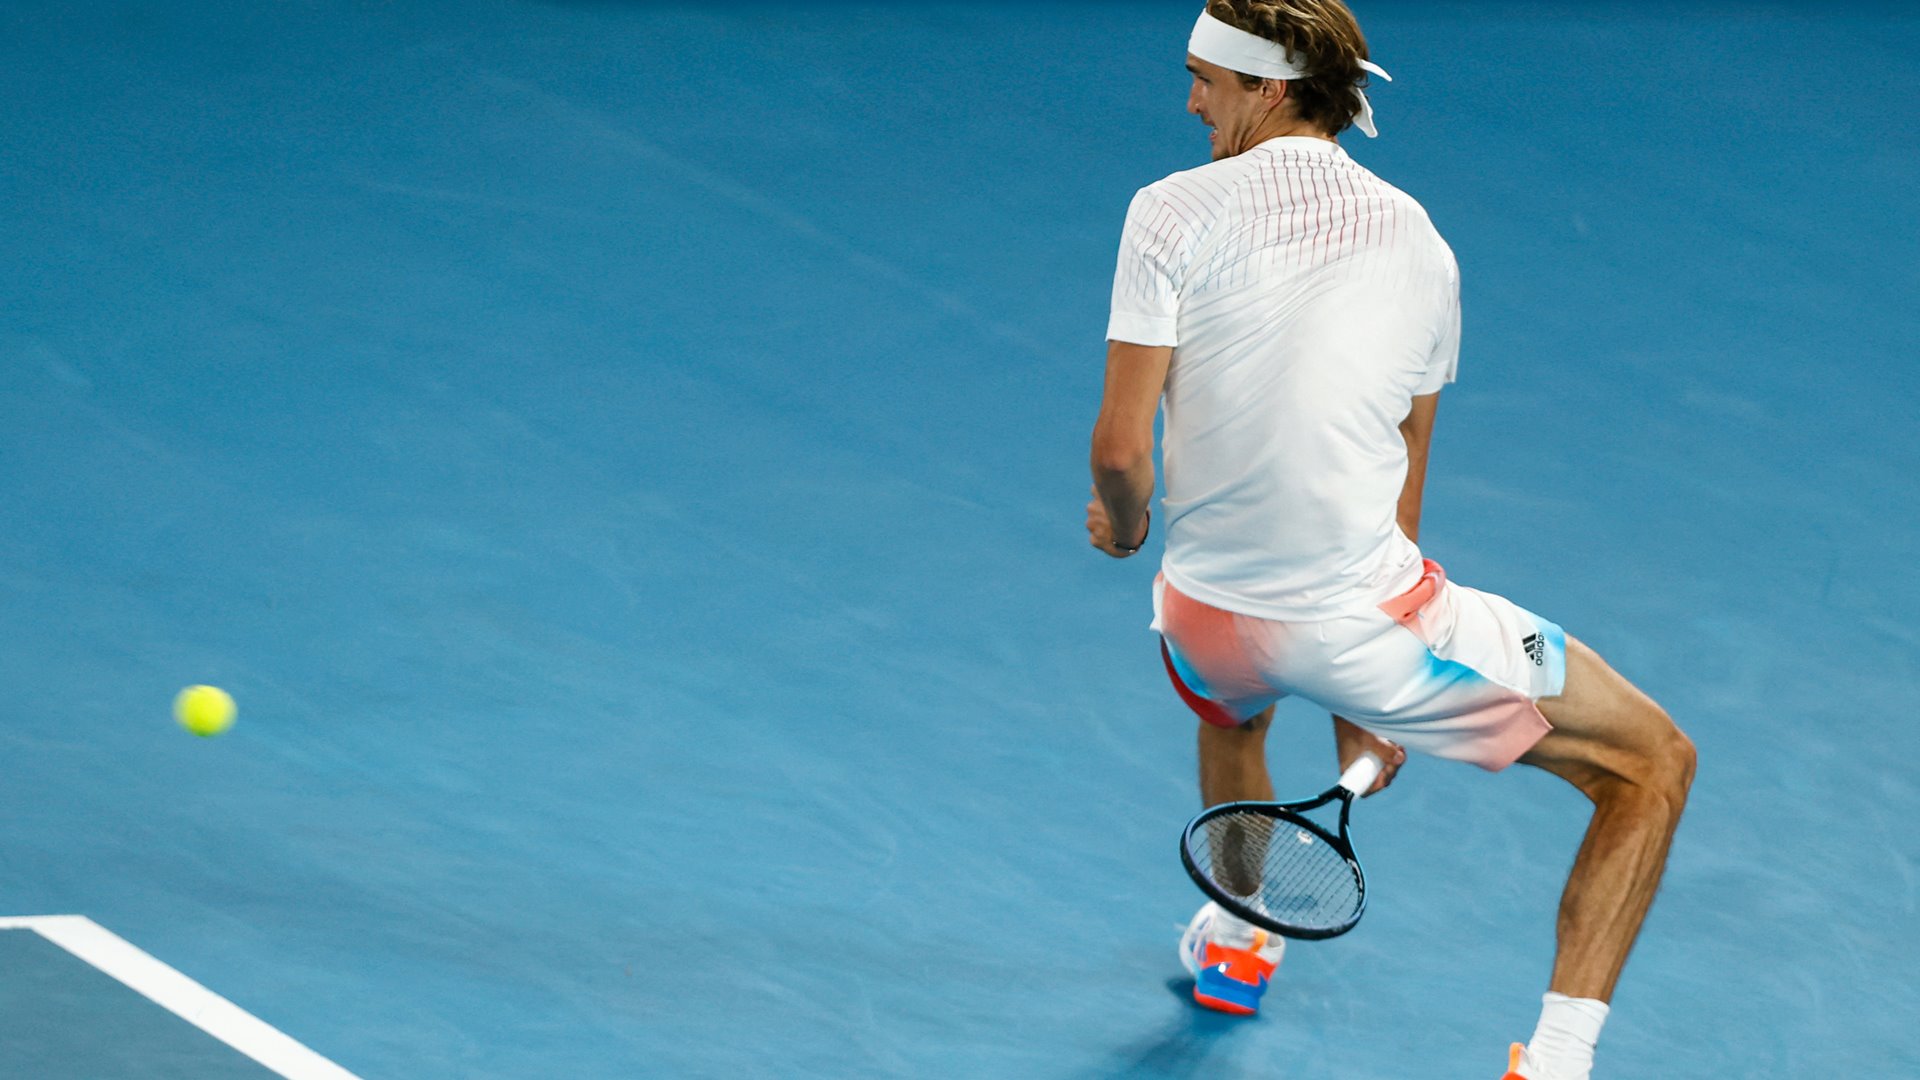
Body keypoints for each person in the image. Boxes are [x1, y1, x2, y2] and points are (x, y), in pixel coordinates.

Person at [1083, 4, 1696, 1078]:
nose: (1190, 100)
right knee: (1652, 765)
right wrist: (1382, 680)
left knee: (1231, 695)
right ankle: (1555, 1063)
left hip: (1199, 614)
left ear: (1267, 89)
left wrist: (1126, 531)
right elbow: (1405, 464)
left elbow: (1122, 456)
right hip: (1362, 620)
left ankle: (1239, 936)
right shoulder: (1422, 242)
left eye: (1203, 80)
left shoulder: (1165, 212)